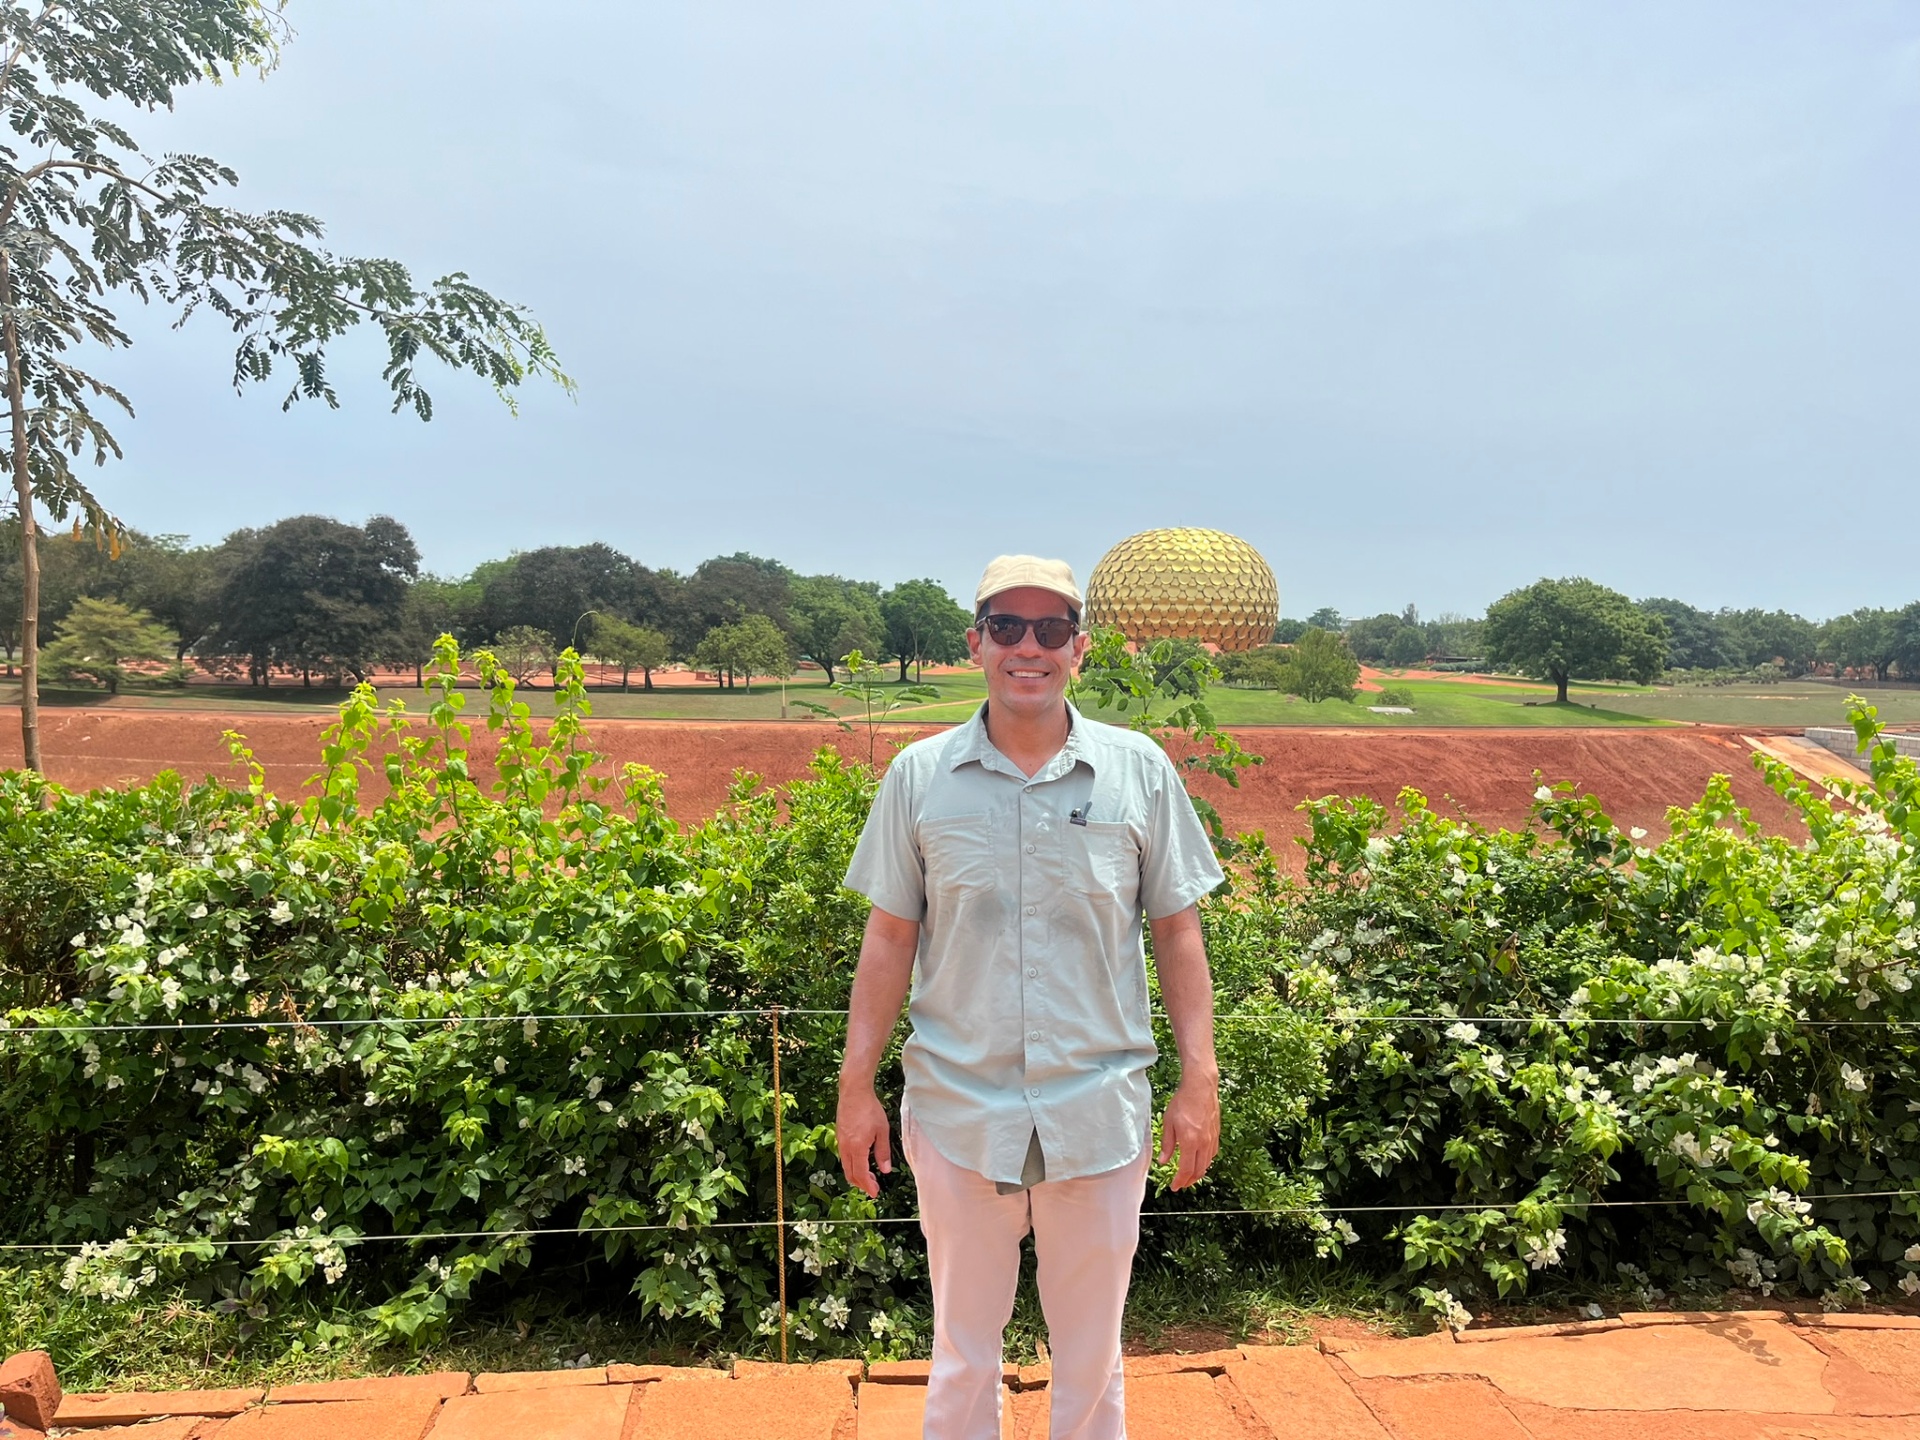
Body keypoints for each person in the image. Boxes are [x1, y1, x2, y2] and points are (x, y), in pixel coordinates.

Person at [837, 554, 1225, 1440]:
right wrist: (855, 1087)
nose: (1028, 647)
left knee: (1091, 1358)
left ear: (1078, 649)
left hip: (1099, 1109)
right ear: (976, 643)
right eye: (1006, 627)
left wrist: (1199, 1082)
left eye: (1050, 630)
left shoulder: (1138, 772)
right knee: (962, 1352)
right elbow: (890, 938)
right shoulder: (918, 777)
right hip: (959, 1107)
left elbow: (1178, 933)